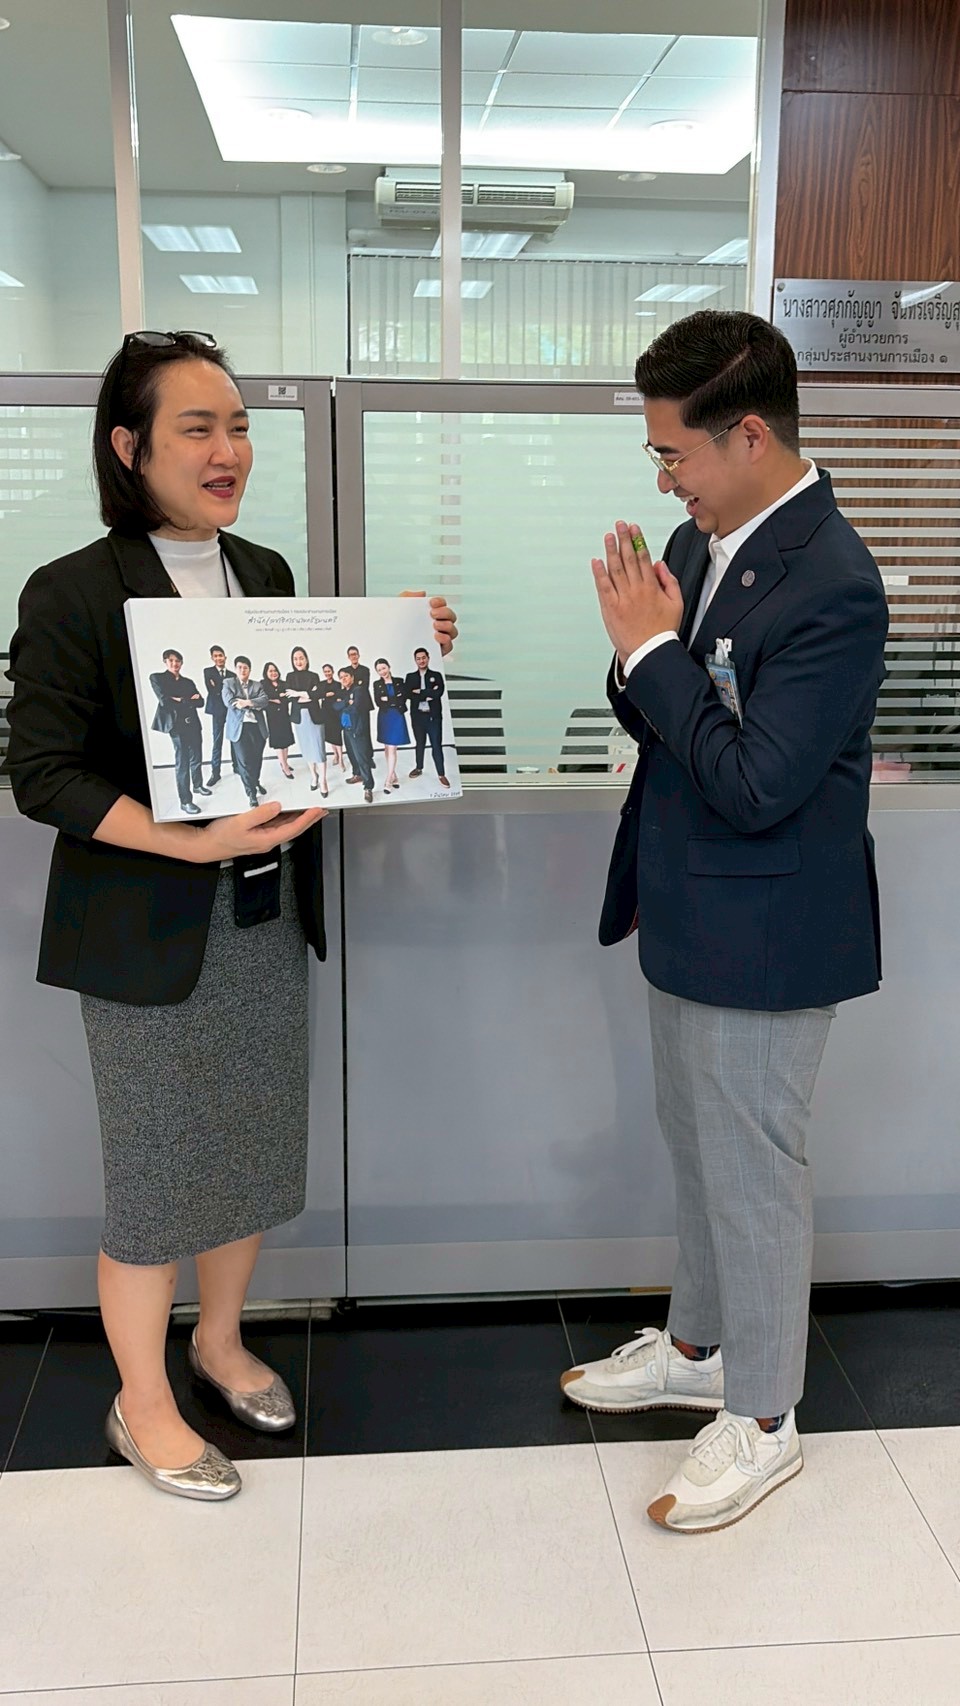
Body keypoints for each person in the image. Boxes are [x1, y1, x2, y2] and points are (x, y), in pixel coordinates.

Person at [5, 328, 457, 1505]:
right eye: (198, 427)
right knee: (157, 1173)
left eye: (241, 426)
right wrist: (189, 840)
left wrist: (398, 654)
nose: (229, 450)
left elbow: (291, 731)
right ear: (129, 446)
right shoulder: (71, 589)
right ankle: (141, 1398)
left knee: (248, 1149)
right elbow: (41, 773)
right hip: (145, 931)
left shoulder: (262, 571)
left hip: (262, 915)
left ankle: (216, 1340)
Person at [561, 311, 888, 1535]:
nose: (666, 480)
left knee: (754, 1175)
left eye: (674, 453)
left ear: (748, 434)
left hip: (770, 930)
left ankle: (764, 1415)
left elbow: (756, 782)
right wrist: (639, 653)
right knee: (698, 1146)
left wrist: (652, 653)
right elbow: (664, 711)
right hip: (687, 903)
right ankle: (700, 1347)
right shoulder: (703, 544)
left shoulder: (834, 581)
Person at [149, 648, 209, 815]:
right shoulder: (157, 678)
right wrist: (188, 700)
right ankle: (185, 801)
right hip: (176, 726)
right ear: (165, 662)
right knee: (182, 763)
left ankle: (198, 785)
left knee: (197, 757)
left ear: (181, 663)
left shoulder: (188, 682)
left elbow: (201, 702)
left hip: (193, 723)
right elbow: (164, 701)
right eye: (171, 660)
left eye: (178, 661)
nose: (175, 663)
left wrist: (180, 700)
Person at [223, 656, 269, 806]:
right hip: (239, 728)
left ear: (250, 670)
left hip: (257, 727)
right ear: (235, 669)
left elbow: (265, 700)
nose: (243, 670)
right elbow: (230, 702)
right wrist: (254, 704)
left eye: (245, 668)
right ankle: (251, 793)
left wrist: (246, 702)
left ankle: (255, 782)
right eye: (240, 667)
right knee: (244, 761)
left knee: (257, 759)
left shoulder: (257, 685)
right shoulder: (228, 683)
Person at [404, 645, 450, 787]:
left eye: (424, 658)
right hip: (418, 717)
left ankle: (441, 774)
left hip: (433, 717)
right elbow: (408, 694)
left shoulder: (437, 675)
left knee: (436, 745)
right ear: (415, 661)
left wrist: (420, 692)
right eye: (418, 659)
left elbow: (438, 693)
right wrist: (429, 693)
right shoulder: (410, 677)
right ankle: (419, 768)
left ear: (428, 658)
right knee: (420, 743)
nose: (421, 661)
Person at [286, 646, 328, 795]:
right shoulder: (290, 676)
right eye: (295, 659)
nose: (298, 661)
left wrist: (299, 694)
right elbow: (290, 697)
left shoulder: (314, 676)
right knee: (307, 749)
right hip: (299, 718)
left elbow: (318, 695)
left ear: (307, 659)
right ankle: (314, 776)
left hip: (315, 716)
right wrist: (308, 694)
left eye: (301, 658)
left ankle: (323, 780)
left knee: (319, 749)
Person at [336, 666, 374, 801]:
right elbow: (335, 706)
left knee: (362, 758)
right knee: (352, 755)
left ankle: (368, 787)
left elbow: (356, 708)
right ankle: (357, 775)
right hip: (346, 729)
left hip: (357, 729)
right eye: (341, 677)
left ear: (352, 677)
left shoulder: (359, 690)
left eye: (346, 676)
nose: (344, 679)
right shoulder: (342, 692)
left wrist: (344, 705)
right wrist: (347, 703)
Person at [373, 658, 410, 793]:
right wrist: (394, 699)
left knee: (392, 748)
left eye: (384, 668)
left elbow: (403, 699)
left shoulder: (399, 681)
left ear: (389, 667)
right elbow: (378, 702)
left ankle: (388, 779)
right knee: (387, 747)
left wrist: (388, 699)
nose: (382, 671)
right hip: (384, 716)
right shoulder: (377, 684)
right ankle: (394, 775)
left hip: (397, 716)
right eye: (379, 670)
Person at [203, 644, 235, 785]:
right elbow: (212, 690)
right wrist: (224, 688)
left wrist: (218, 686)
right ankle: (215, 773)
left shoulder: (232, 675)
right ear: (212, 658)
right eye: (215, 656)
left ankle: (237, 767)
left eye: (220, 655)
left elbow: (233, 693)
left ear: (225, 657)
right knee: (217, 741)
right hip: (217, 710)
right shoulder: (208, 671)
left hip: (231, 710)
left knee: (234, 739)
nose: (218, 658)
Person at [262, 659, 296, 781]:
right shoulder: (263, 684)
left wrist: (275, 699)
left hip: (284, 715)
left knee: (286, 741)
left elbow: (288, 698)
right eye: (270, 671)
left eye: (275, 670)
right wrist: (277, 697)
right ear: (266, 673)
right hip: (273, 717)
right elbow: (263, 699)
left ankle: (284, 762)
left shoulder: (283, 683)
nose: (273, 673)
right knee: (278, 742)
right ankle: (284, 766)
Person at [344, 644, 375, 781]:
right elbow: (348, 686)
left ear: (358, 655)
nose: (353, 657)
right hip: (352, 706)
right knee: (356, 733)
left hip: (364, 705)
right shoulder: (347, 671)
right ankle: (359, 764)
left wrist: (353, 686)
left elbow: (363, 686)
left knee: (365, 731)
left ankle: (369, 757)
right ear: (348, 657)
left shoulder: (365, 670)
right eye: (351, 655)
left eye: (355, 654)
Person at [318, 662, 344, 771]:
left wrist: (329, 695)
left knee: (337, 736)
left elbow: (339, 696)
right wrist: (326, 695)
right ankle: (335, 755)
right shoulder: (321, 684)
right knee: (330, 736)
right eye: (325, 672)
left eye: (329, 671)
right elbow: (319, 695)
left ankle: (341, 759)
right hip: (325, 712)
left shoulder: (337, 684)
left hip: (335, 712)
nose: (327, 673)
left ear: (332, 672)